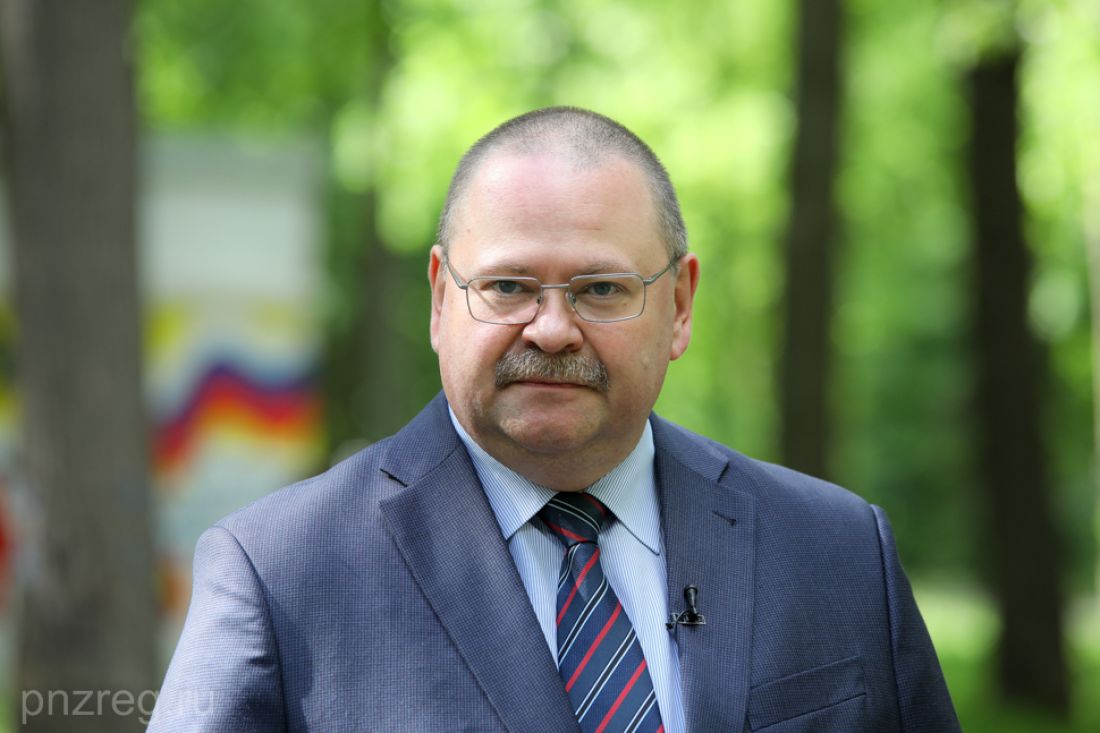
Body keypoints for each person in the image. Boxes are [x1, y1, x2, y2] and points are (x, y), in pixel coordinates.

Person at [148, 107, 960, 732]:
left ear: (679, 305)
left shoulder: (839, 552)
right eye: (508, 287)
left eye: (601, 289)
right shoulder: (280, 573)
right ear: (440, 299)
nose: (551, 329)